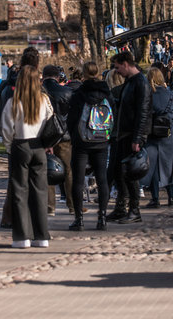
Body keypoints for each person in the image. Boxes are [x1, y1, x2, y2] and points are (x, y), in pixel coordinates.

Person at [1, 65, 54, 248]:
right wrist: (47, 143)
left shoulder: (13, 102)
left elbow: (6, 128)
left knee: (19, 191)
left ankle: (22, 236)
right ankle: (41, 236)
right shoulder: (44, 99)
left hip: (20, 144)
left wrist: (9, 147)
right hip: (39, 145)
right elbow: (51, 120)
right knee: (40, 192)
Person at [66, 62, 114, 231]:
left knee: (78, 180)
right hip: (101, 140)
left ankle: (79, 219)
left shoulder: (79, 94)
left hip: (82, 141)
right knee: (102, 179)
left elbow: (71, 118)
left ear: (84, 74)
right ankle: (102, 217)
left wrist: (74, 136)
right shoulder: (106, 93)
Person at [106, 52, 152, 224]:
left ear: (126, 64)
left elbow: (143, 112)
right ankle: (121, 207)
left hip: (131, 135)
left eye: (118, 67)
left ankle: (134, 209)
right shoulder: (131, 82)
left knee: (130, 173)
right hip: (123, 134)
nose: (117, 72)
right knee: (119, 173)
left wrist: (138, 138)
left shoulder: (141, 83)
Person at [41, 64, 75, 216]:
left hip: (45, 136)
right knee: (68, 171)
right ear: (58, 76)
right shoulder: (67, 92)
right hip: (64, 135)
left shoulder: (39, 92)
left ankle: (50, 207)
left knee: (48, 170)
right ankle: (73, 204)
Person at [141, 68, 173, 208]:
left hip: (152, 133)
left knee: (153, 166)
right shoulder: (170, 94)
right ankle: (171, 196)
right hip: (167, 132)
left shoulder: (148, 95)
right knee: (168, 164)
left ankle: (155, 198)